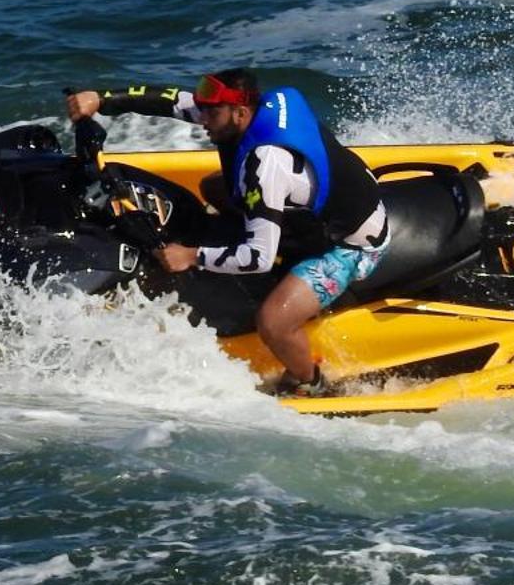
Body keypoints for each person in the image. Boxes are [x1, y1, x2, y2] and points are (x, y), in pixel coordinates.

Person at [64, 69, 390, 394]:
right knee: (213, 187)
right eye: (204, 110)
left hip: (350, 246)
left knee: (273, 322)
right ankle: (259, 238)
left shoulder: (264, 166)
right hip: (331, 205)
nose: (203, 120)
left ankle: (312, 382)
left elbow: (258, 259)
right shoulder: (244, 113)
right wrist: (102, 99)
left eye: (212, 112)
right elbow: (171, 101)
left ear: (240, 112)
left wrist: (190, 256)